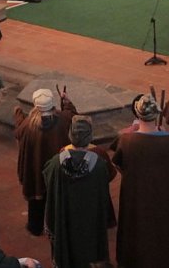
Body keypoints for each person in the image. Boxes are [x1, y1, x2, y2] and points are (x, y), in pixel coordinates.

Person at [113, 95, 169, 268]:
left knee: (133, 228)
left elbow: (117, 163)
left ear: (138, 114)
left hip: (135, 194)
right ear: (156, 115)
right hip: (161, 195)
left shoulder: (127, 140)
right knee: (158, 230)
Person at [43, 115, 113, 268]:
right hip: (90, 222)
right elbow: (103, 192)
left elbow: (49, 183)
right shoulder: (99, 165)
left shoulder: (55, 163)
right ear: (90, 137)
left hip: (65, 219)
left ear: (70, 136)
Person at [14, 88, 77, 236]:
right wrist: (66, 101)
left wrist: (18, 116)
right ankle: (56, 226)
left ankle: (35, 227)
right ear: (52, 104)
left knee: (36, 197)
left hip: (35, 168)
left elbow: (18, 133)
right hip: (57, 169)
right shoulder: (62, 119)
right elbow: (73, 115)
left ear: (36, 106)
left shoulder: (28, 124)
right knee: (56, 196)